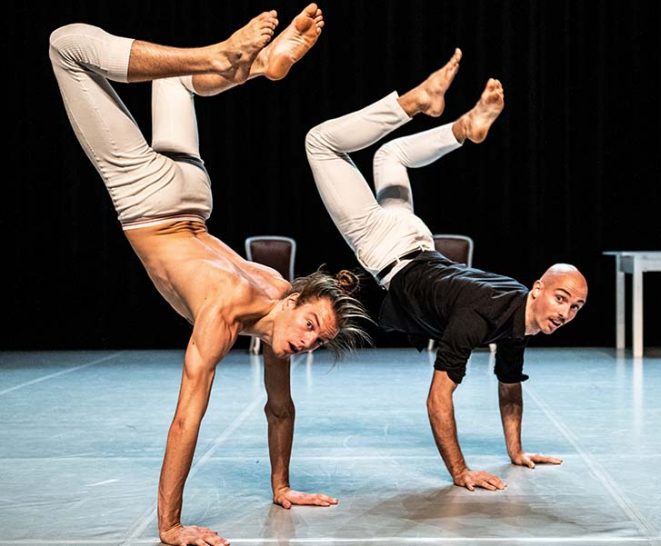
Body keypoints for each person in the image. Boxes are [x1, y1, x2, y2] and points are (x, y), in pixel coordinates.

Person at [49, 6, 370, 545]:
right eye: (312, 325)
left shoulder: (278, 303)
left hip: (195, 192)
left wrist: (282, 487)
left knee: (172, 77)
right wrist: (170, 526)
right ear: (296, 300)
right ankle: (223, 57)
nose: (306, 343)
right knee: (66, 45)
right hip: (150, 201)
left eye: (317, 342)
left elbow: (280, 408)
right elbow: (185, 423)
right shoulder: (225, 314)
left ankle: (256, 66)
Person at [305, 49, 588, 492]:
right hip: (388, 248)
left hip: (416, 238)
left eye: (575, 307)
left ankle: (461, 129)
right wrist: (460, 472)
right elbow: (438, 401)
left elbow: (510, 386)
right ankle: (414, 103)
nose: (566, 312)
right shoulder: (478, 317)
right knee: (319, 141)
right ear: (538, 289)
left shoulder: (516, 313)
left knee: (390, 156)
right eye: (560, 298)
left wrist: (516, 451)